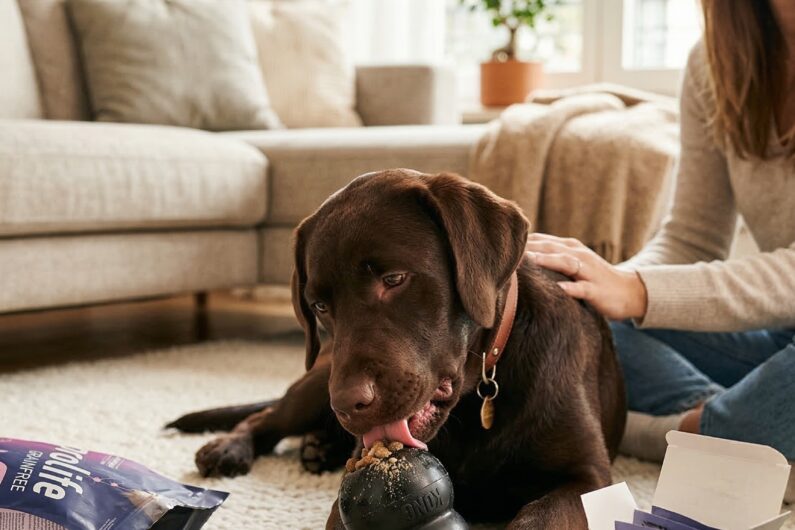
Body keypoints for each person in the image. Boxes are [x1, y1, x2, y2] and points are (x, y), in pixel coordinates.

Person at [525, 0, 794, 501]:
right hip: (777, 340)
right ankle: (732, 429)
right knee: (584, 318)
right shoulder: (715, 62)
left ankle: (672, 434)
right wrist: (600, 285)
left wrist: (638, 290)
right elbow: (692, 237)